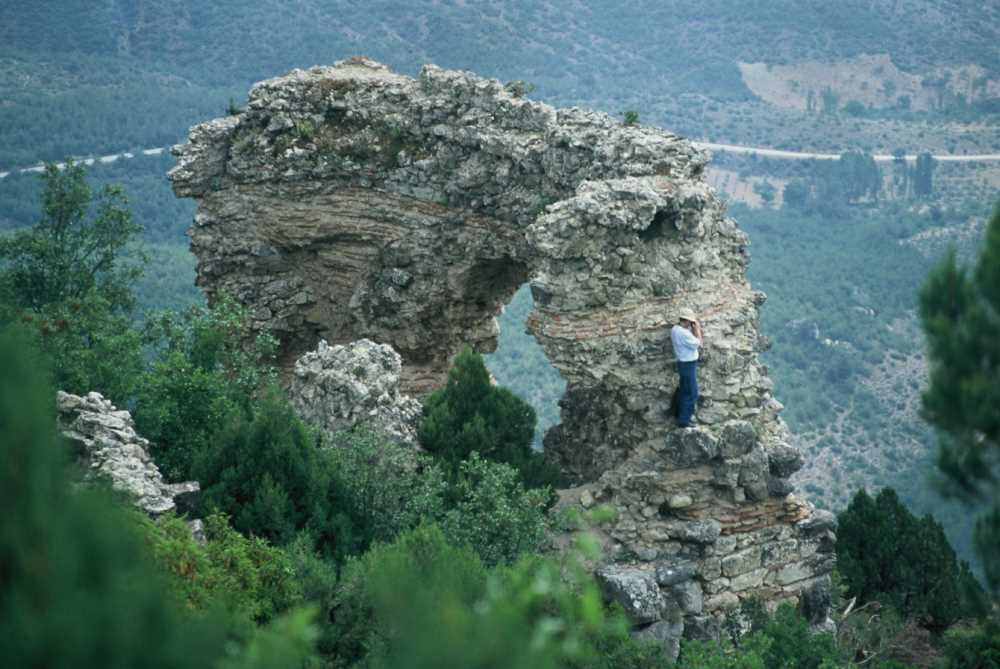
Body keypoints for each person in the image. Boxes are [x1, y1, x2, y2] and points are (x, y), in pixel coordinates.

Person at [670, 308, 702, 428]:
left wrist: (690, 329)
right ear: (688, 321)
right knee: (692, 393)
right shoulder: (684, 334)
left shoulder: (675, 329)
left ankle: (678, 415)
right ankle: (684, 421)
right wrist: (697, 329)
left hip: (682, 363)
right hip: (689, 364)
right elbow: (699, 343)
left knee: (684, 390)